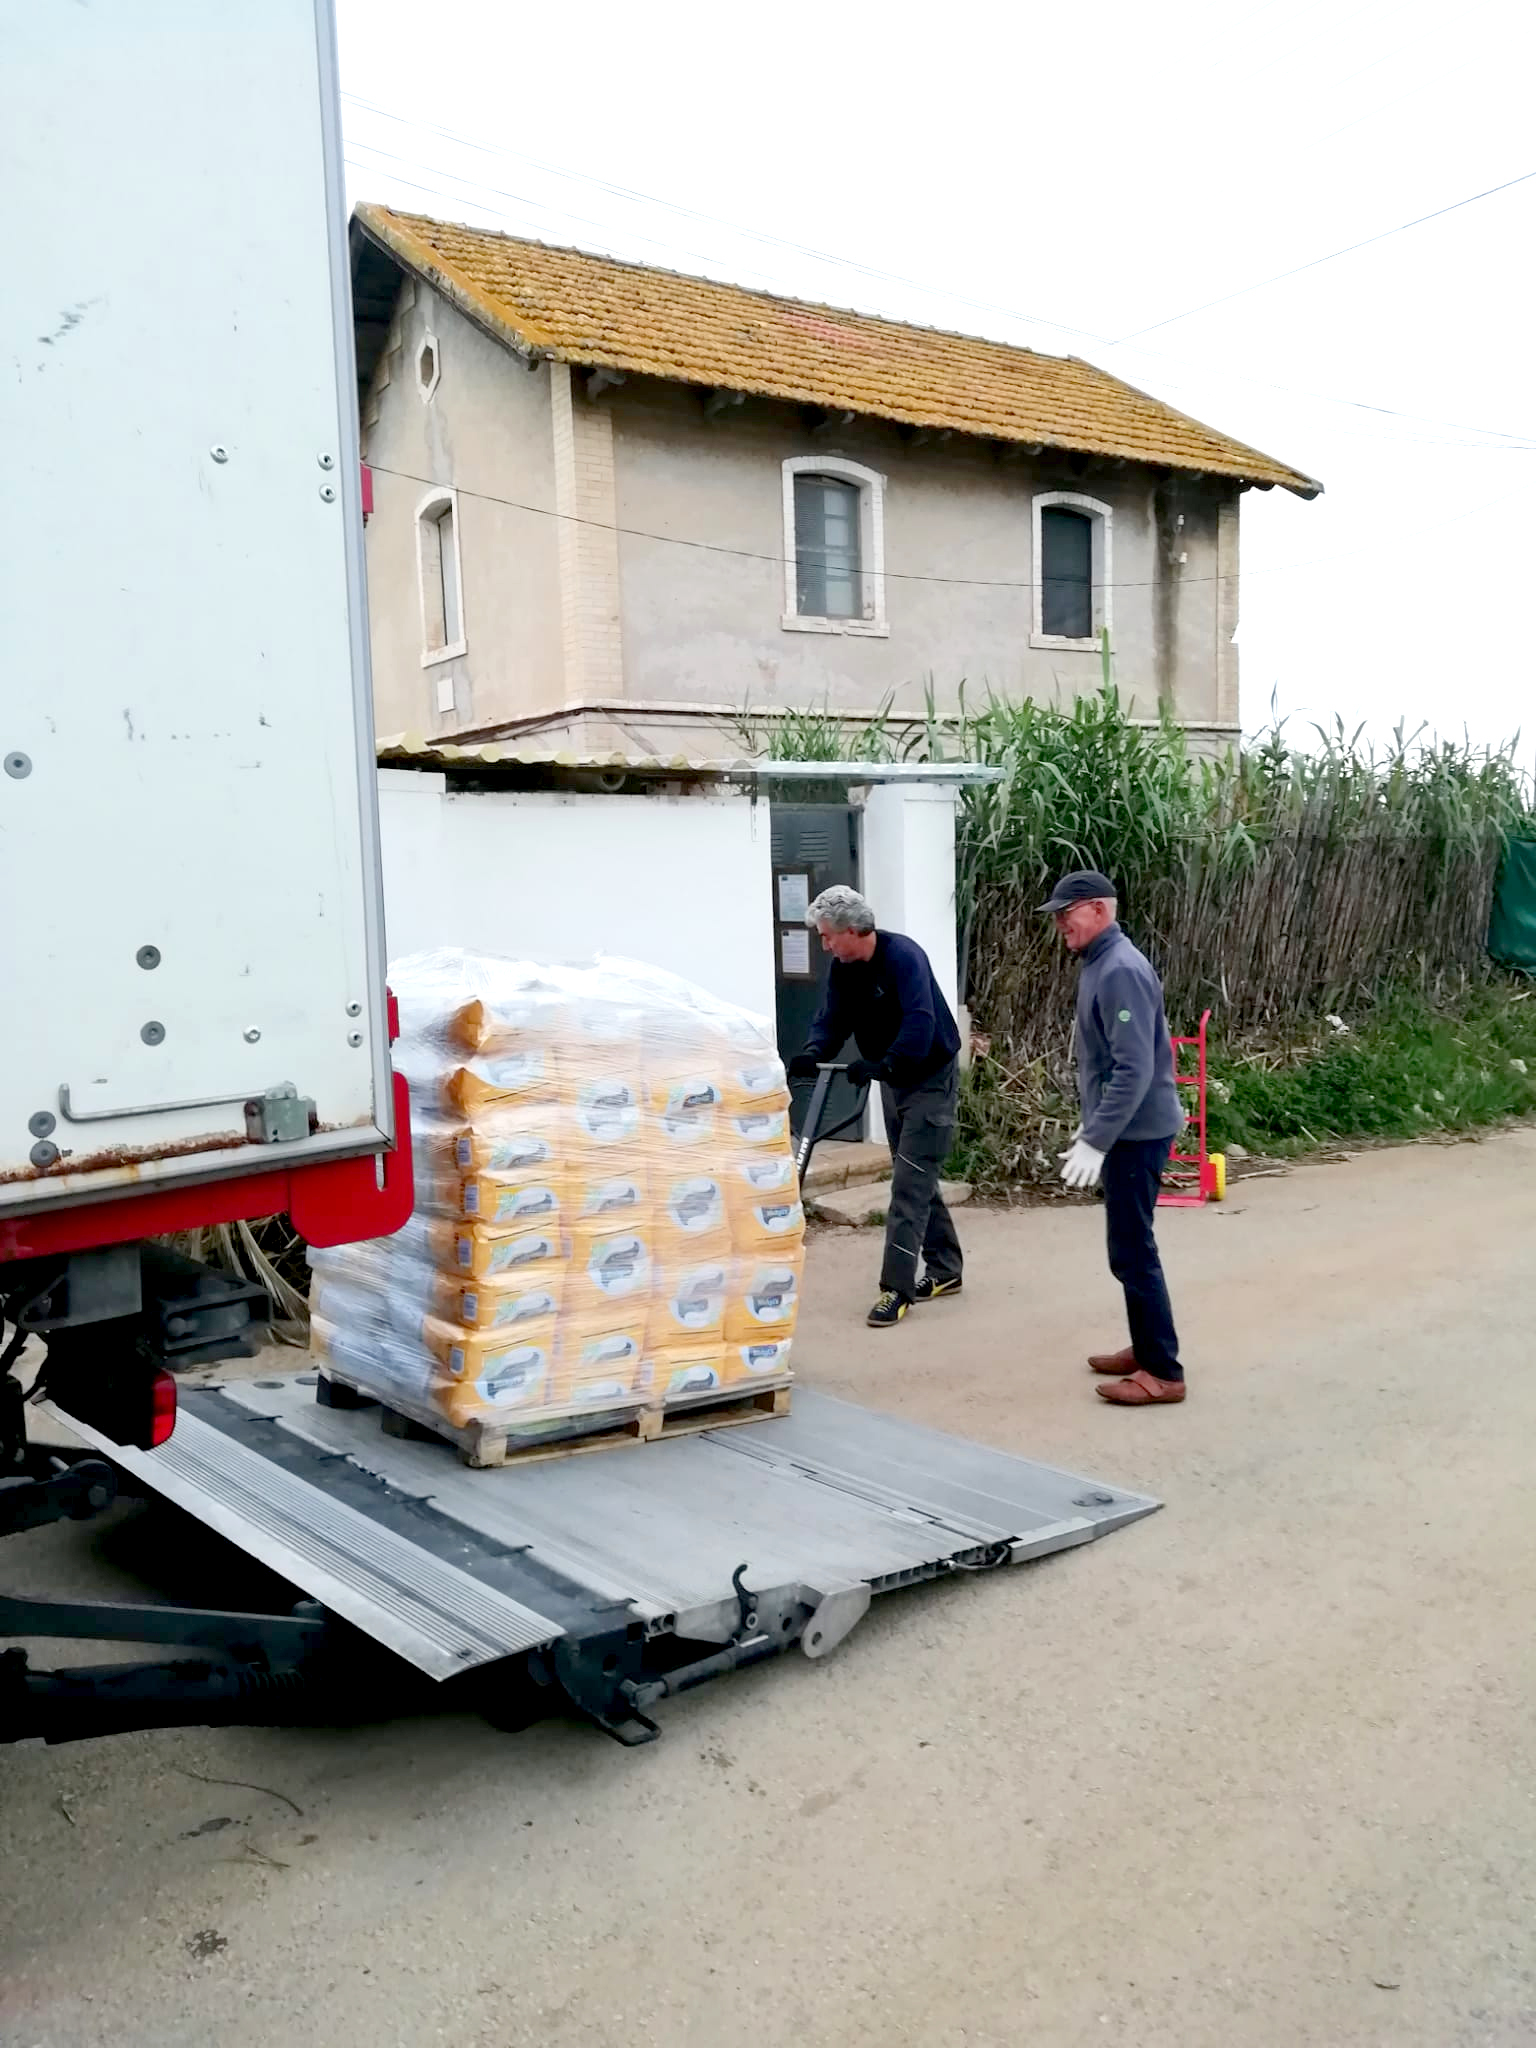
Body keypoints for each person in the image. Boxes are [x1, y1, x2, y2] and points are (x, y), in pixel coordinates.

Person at [1042, 869, 1188, 1407]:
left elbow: (1134, 1069)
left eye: (1067, 913)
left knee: (1132, 1250)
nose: (1060, 923)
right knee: (1128, 1248)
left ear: (1099, 910)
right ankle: (1146, 1346)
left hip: (1137, 1133)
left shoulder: (1119, 969)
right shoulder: (1101, 962)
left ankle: (1163, 1372)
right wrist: (1094, 1124)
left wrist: (1097, 1139)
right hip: (1126, 1128)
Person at [787, 886, 963, 1329]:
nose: (824, 945)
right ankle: (946, 1268)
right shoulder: (844, 969)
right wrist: (812, 1051)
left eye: (827, 936)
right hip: (894, 1077)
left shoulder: (904, 957)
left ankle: (896, 1289)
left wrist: (885, 1063)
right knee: (914, 1172)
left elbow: (920, 1023)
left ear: (851, 930)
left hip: (929, 1076)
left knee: (907, 1185)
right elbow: (833, 1018)